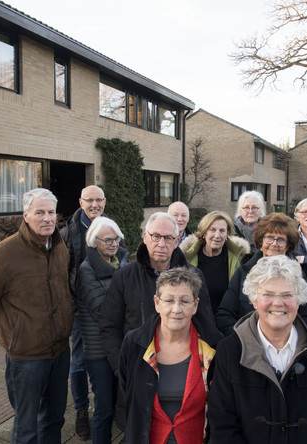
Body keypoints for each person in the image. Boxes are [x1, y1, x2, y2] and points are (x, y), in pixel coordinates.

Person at [208, 255, 307, 443]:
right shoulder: (230, 351)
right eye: (268, 294)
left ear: (299, 300)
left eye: (287, 295)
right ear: (254, 299)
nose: (277, 303)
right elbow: (222, 425)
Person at [0, 188, 73, 444]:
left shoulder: (61, 248)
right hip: (26, 358)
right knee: (26, 427)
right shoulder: (4, 254)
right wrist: (10, 337)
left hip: (60, 352)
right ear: (26, 215)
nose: (47, 218)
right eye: (40, 212)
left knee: (54, 419)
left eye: (51, 212)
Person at [99, 212, 221, 373]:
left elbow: (205, 324)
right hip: (137, 367)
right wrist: (121, 367)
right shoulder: (125, 276)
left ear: (177, 241)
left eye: (168, 238)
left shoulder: (194, 277)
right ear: (144, 237)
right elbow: (110, 326)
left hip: (184, 367)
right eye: (156, 236)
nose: (162, 244)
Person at [119, 268, 218, 444]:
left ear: (195, 305)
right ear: (157, 303)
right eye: (169, 300)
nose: (176, 309)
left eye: (185, 301)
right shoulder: (135, 344)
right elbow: (128, 395)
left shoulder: (213, 348)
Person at [217, 212, 307, 334]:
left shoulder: (298, 275)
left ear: (288, 245)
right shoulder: (244, 272)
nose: (274, 243)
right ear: (260, 242)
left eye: (280, 239)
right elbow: (225, 315)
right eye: (269, 238)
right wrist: (243, 339)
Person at [76, 216, 128, 444]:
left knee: (121, 403)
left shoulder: (122, 263)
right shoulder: (86, 271)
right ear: (93, 241)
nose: (113, 243)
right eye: (107, 240)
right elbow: (102, 311)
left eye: (116, 239)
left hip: (121, 346)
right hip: (98, 351)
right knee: (104, 408)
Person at [61, 184, 107, 440]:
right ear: (80, 202)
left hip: (105, 308)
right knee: (78, 362)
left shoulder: (110, 228)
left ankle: (104, 406)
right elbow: (63, 273)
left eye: (99, 200)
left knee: (103, 360)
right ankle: (80, 410)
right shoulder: (68, 232)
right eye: (89, 200)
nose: (94, 205)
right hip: (79, 310)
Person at [179, 210, 250, 313]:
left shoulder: (239, 258)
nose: (217, 235)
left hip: (225, 318)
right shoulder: (187, 257)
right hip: (195, 318)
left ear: (227, 234)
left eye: (222, 231)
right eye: (212, 230)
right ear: (204, 233)